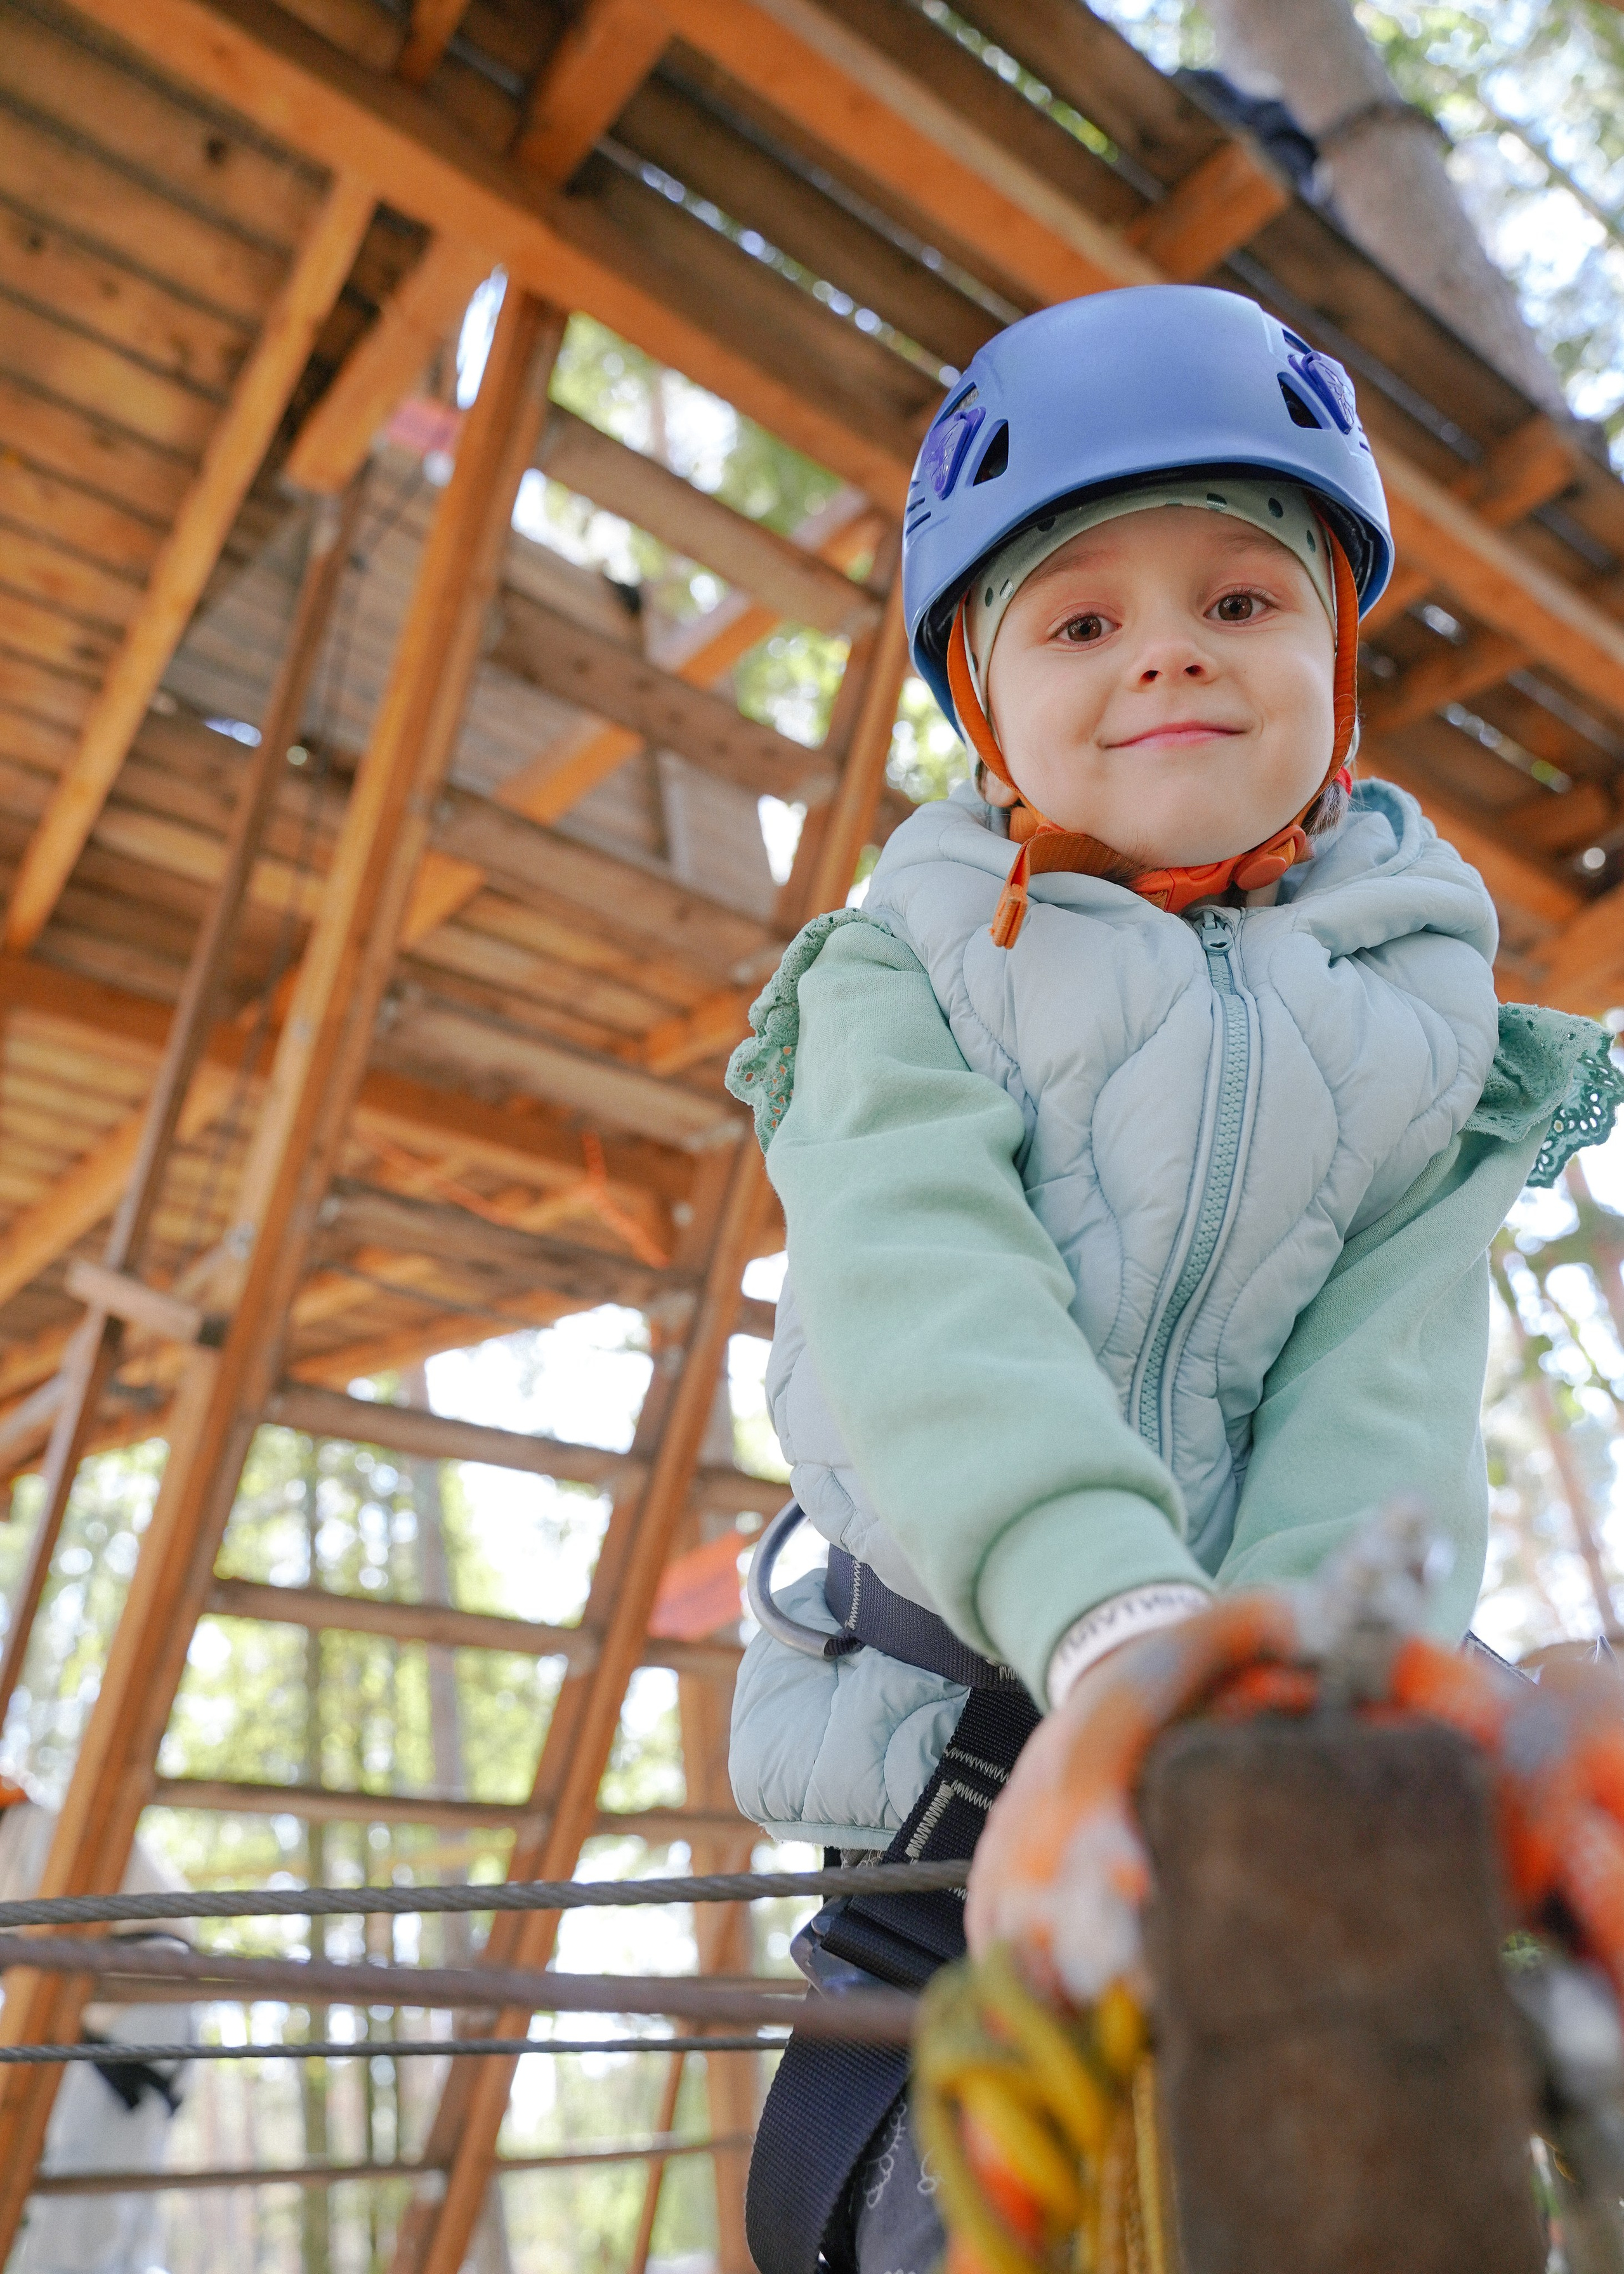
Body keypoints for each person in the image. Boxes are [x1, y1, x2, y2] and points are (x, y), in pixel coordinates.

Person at [724, 284, 1624, 2274]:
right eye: (1081, 622)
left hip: (1258, 1790)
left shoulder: (1418, 1006)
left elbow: (1376, 1382)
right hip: (948, 1811)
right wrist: (1112, 1616)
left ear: (1333, 656)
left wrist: (1278, 1678)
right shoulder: (901, 973)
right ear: (981, 692)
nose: (1167, 662)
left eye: (1237, 602)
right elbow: (919, 1296)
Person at [0, 1786, 195, 2274]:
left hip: (121, 2022)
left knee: (82, 2213)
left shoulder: (32, 1835)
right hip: (130, 2023)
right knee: (113, 2213)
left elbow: (27, 1955)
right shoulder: (43, 1831)